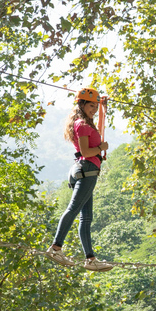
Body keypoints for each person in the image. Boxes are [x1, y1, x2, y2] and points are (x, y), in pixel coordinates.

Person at [45, 87, 114, 272]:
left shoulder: (85, 123)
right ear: (82, 104)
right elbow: (86, 151)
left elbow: (98, 130)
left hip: (85, 171)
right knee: (74, 210)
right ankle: (55, 248)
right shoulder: (82, 124)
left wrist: (103, 111)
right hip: (87, 170)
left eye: (95, 106)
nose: (94, 109)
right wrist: (100, 148)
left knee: (86, 217)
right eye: (91, 105)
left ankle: (90, 259)